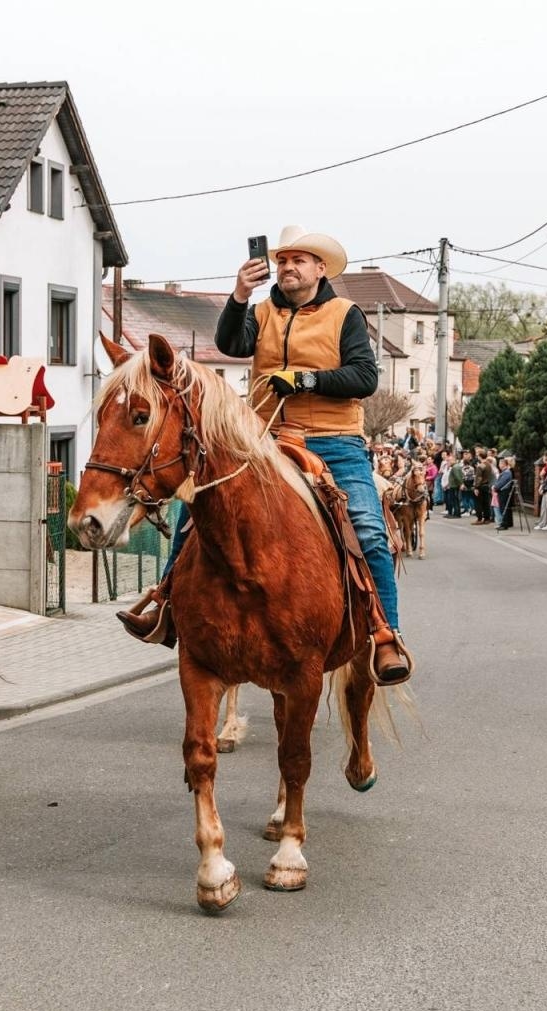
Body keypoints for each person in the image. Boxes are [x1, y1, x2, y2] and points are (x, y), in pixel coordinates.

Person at [119, 225, 410, 684]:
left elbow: (364, 377)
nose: (288, 267)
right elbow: (232, 345)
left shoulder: (345, 314)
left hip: (334, 440)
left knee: (370, 531)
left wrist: (305, 380)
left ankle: (385, 634)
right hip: (262, 436)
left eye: (299, 260)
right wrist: (238, 295)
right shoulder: (262, 311)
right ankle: (166, 605)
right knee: (195, 510)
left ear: (320, 269)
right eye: (283, 260)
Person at [494, 458, 516, 530]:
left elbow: (501, 483)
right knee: (503, 507)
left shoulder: (506, 472)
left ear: (503, 464)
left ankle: (504, 524)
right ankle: (506, 523)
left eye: (500, 463)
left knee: (503, 508)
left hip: (504, 492)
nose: (499, 465)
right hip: (503, 491)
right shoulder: (505, 472)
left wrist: (495, 487)